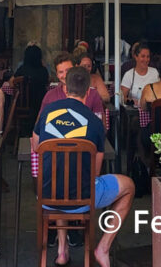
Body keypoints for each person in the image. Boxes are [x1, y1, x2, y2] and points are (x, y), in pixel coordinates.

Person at [32, 66, 134, 267]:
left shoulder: (47, 113)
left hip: (47, 195)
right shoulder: (95, 122)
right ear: (89, 91)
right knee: (128, 185)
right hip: (82, 198)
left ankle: (62, 251)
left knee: (58, 178)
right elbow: (95, 172)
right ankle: (103, 248)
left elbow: (36, 146)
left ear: (65, 88)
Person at [40, 53, 104, 120]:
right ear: (57, 75)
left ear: (76, 68)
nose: (65, 75)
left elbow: (100, 125)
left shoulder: (93, 94)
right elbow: (40, 124)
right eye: (61, 72)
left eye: (68, 70)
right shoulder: (50, 96)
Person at [14, 44, 50, 126]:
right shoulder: (43, 70)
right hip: (39, 103)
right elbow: (47, 83)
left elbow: (12, 82)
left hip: (22, 103)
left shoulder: (22, 69)